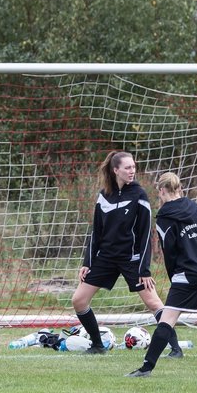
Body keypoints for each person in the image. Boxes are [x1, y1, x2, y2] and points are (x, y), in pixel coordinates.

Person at [71, 150, 180, 355]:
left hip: (132, 260)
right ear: (116, 170)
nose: (132, 171)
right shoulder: (103, 196)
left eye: (133, 167)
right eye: (128, 168)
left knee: (153, 302)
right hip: (105, 258)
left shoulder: (139, 194)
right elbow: (96, 232)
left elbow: (146, 234)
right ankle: (97, 345)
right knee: (78, 300)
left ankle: (175, 348)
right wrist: (87, 261)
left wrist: (144, 270)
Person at [127, 173, 197, 377]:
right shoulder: (196, 207)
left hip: (190, 271)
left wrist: (174, 275)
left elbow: (170, 250)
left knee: (167, 318)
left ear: (161, 190)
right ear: (179, 188)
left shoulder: (164, 216)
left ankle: (146, 368)